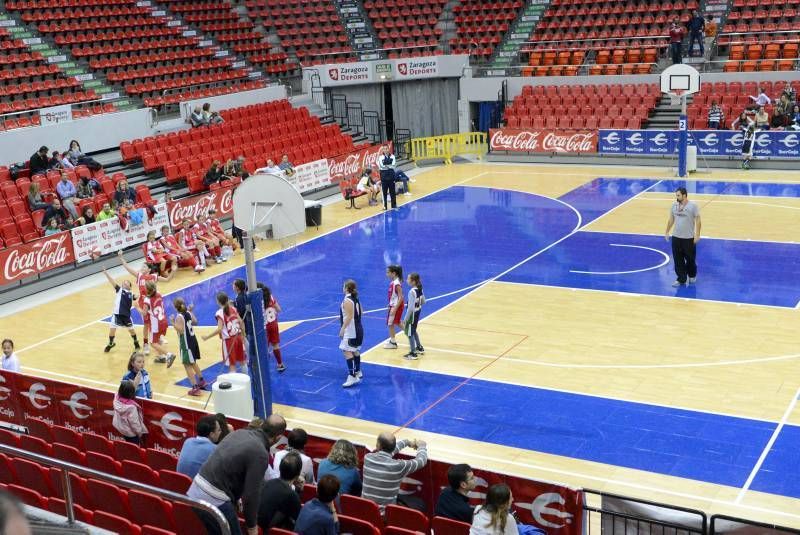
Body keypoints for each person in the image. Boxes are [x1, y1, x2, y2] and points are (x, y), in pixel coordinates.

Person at [187, 414, 287, 535]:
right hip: (215, 499)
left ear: (262, 425)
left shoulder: (238, 433)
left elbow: (227, 465)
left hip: (194, 490)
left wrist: (236, 498)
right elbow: (251, 496)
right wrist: (252, 527)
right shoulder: (260, 453)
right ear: (278, 437)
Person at [362, 432, 428, 513]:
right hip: (383, 517)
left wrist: (407, 442)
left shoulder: (368, 458)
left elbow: (388, 452)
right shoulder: (398, 466)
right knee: (419, 503)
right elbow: (421, 461)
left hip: (364, 511)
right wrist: (422, 446)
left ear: (378, 445)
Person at [664, 187, 701, 287]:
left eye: (678, 195)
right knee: (677, 259)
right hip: (676, 237)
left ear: (684, 195)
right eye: (676, 195)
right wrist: (667, 231)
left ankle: (692, 275)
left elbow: (698, 221)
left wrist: (697, 235)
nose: (677, 197)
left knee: (690, 259)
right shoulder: (674, 205)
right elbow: (671, 219)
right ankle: (681, 279)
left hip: (688, 238)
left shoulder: (693, 206)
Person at [258, 452, 303, 531]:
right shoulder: (292, 495)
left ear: (280, 468)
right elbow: (299, 521)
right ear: (298, 475)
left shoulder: (268, 483)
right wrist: (299, 492)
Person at [203, 292, 247, 373]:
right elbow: (241, 322)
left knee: (232, 365)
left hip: (229, 341)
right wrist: (243, 336)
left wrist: (207, 337)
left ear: (218, 302)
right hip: (238, 337)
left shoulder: (219, 313)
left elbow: (220, 329)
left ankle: (235, 384)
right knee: (242, 361)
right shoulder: (233, 309)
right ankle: (246, 380)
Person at [172, 298, 207, 396]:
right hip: (193, 341)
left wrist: (172, 323)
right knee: (193, 362)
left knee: (187, 365)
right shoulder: (188, 312)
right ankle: (201, 381)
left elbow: (181, 330)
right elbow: (195, 322)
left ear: (175, 307)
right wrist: (191, 312)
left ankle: (195, 388)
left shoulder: (179, 316)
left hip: (186, 343)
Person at [102, 266, 141, 353]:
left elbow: (138, 296)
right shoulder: (119, 290)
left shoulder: (131, 294)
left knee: (131, 330)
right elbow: (112, 282)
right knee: (112, 329)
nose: (125, 283)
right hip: (116, 314)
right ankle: (111, 343)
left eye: (127, 283)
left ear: (130, 286)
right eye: (124, 282)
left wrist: (142, 294)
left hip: (126, 316)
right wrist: (106, 273)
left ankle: (135, 342)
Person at [177, 415, 222, 479]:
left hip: (180, 485)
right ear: (211, 434)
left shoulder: (188, 441)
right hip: (197, 487)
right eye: (219, 430)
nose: (221, 432)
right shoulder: (215, 450)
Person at [143, 280, 176, 366]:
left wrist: (136, 306)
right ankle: (161, 357)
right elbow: (153, 301)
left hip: (156, 324)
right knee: (158, 339)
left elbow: (144, 313)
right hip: (164, 321)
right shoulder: (158, 293)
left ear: (147, 289)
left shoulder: (147, 300)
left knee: (153, 343)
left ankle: (168, 354)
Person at [339, 279, 364, 388]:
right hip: (358, 329)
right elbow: (361, 312)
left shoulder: (347, 301)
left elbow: (349, 316)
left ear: (346, 288)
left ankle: (352, 376)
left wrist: (343, 329)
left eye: (343, 286)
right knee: (355, 350)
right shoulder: (356, 299)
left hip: (351, 331)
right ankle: (358, 371)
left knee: (346, 350)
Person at [259, 283, 285, 372]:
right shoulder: (270, 297)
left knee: (264, 347)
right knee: (275, 345)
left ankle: (264, 367)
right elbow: (279, 309)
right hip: (273, 325)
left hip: (264, 326)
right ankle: (280, 364)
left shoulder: (257, 300)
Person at [112, 380, 147, 445]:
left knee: (127, 443)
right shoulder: (131, 408)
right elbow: (134, 423)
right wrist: (139, 433)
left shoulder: (116, 397)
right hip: (131, 434)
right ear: (131, 393)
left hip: (120, 428)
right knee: (134, 447)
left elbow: (123, 389)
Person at [402, 272, 426, 360]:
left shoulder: (411, 292)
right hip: (418, 312)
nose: (406, 280)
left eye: (408, 279)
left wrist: (405, 318)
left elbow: (411, 308)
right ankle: (419, 347)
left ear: (413, 281)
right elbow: (423, 301)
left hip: (412, 315)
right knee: (413, 330)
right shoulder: (420, 289)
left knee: (409, 333)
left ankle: (413, 353)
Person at [384, 265, 405, 350]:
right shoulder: (393, 282)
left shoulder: (396, 283)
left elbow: (401, 297)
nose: (387, 274)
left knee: (392, 323)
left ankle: (393, 342)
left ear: (394, 273)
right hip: (394, 305)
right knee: (394, 323)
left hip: (396, 306)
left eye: (388, 272)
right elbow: (394, 296)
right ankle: (410, 334)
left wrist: (395, 308)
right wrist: (390, 304)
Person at [377, 145, 397, 210]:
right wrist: (389, 165)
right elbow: (381, 167)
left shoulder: (393, 156)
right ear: (382, 150)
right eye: (384, 149)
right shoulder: (380, 158)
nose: (385, 150)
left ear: (389, 149)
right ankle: (385, 206)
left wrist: (387, 165)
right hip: (384, 178)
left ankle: (394, 205)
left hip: (391, 177)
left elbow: (394, 166)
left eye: (386, 148)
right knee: (384, 193)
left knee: (392, 192)